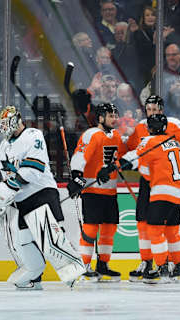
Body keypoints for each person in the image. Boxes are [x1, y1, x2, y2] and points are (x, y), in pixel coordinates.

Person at [0, 105, 84, 289]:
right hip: (22, 200)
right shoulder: (2, 149)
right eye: (1, 125)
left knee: (50, 237)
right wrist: (1, 194)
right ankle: (34, 275)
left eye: (6, 124)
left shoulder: (33, 136)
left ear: (15, 121)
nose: (3, 129)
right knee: (23, 241)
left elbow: (33, 169)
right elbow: (7, 178)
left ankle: (72, 267)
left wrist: (10, 186)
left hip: (42, 193)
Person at [125, 95, 180, 282]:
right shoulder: (140, 127)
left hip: (164, 181)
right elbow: (130, 149)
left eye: (155, 109)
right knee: (143, 222)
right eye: (149, 109)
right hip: (149, 181)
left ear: (161, 110)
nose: (152, 112)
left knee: (161, 226)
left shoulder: (172, 124)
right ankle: (148, 262)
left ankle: (165, 264)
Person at [68, 103, 126, 281]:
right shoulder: (92, 134)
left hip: (110, 191)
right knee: (91, 229)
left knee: (109, 229)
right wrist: (77, 176)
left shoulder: (116, 135)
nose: (114, 119)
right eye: (110, 115)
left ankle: (103, 264)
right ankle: (84, 266)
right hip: (92, 190)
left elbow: (121, 158)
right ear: (100, 117)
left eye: (116, 115)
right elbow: (80, 155)